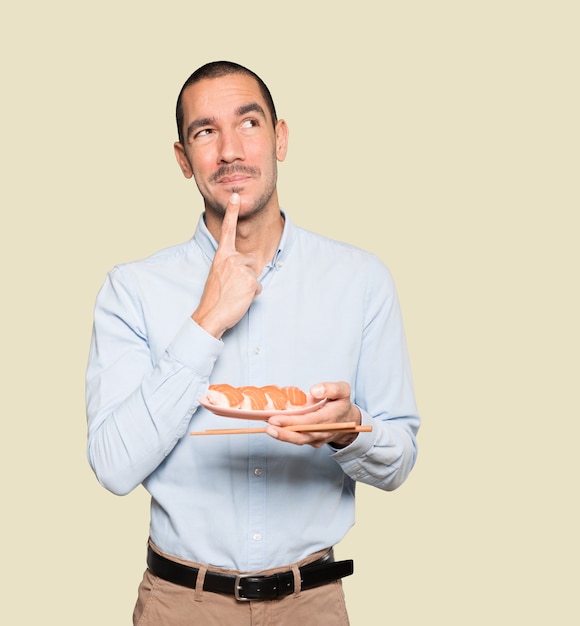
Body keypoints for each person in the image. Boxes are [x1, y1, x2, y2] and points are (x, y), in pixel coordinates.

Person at [85, 60, 420, 625]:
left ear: (279, 138)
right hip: (179, 605)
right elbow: (114, 468)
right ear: (183, 158)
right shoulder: (132, 289)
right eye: (205, 132)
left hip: (311, 605)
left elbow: (399, 461)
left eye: (249, 123)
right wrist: (205, 323)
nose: (230, 151)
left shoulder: (360, 280)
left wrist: (348, 432)